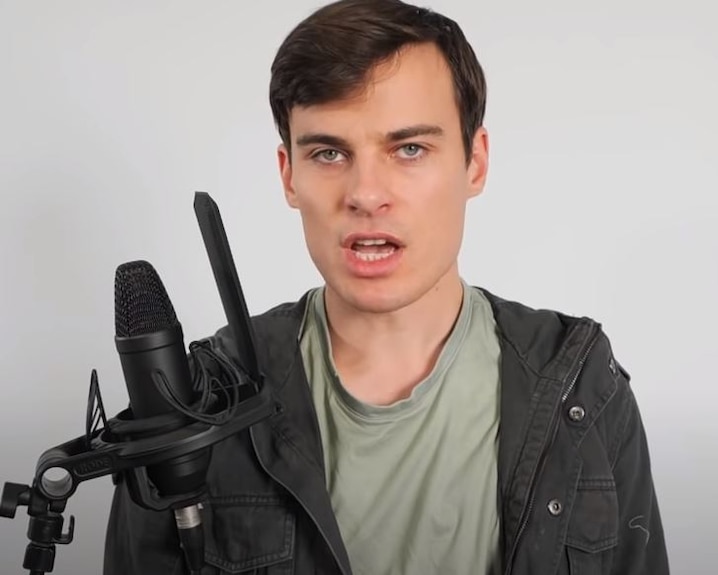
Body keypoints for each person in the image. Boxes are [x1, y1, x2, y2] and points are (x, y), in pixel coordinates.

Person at [103, 1, 669, 573]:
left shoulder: (581, 385)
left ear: (475, 163)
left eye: (409, 149)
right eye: (329, 153)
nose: (366, 194)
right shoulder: (193, 407)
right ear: (288, 175)